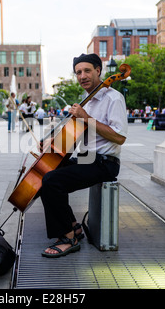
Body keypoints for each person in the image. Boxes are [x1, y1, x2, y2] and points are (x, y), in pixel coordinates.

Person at [40, 53, 128, 258]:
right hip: (88, 158)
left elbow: (119, 137)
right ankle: (73, 225)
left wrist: (87, 118)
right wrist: (50, 144)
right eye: (78, 72)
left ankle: (68, 238)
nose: (82, 76)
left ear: (99, 71)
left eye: (87, 70)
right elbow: (75, 139)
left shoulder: (113, 98)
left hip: (105, 163)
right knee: (49, 168)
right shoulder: (86, 102)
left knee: (52, 181)